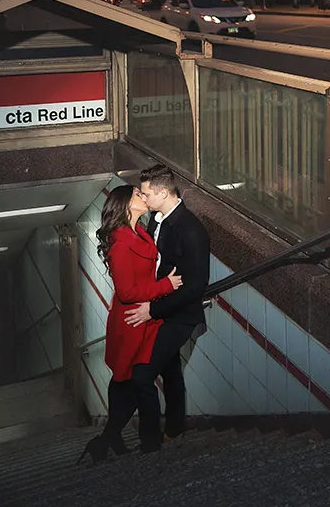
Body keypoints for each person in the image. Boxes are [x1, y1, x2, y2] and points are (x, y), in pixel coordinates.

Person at [78, 185, 183, 464]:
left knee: (131, 381)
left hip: (145, 318)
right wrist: (165, 286)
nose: (143, 197)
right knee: (131, 380)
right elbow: (127, 292)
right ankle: (119, 440)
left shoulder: (139, 231)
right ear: (125, 205)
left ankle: (108, 439)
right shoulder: (121, 242)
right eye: (138, 194)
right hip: (132, 322)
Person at [124, 165, 210, 447]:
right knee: (170, 371)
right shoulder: (156, 219)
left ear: (163, 192)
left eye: (146, 193)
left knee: (141, 376)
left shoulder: (192, 231)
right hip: (159, 308)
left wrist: (152, 310)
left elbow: (196, 287)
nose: (143, 197)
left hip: (179, 317)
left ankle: (150, 442)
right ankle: (174, 430)